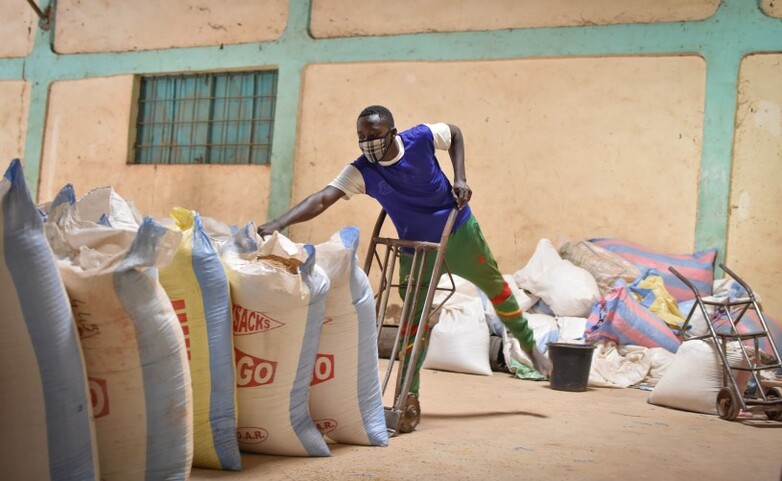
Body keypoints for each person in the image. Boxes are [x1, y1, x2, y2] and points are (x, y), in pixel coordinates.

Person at [257, 105, 552, 432]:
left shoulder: (421, 138)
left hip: (460, 233)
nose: (368, 143)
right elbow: (323, 198)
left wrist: (461, 178)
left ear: (393, 133)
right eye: (361, 137)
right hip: (415, 250)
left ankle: (528, 345)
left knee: (499, 291)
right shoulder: (362, 170)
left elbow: (453, 132)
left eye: (374, 136)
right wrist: (279, 223)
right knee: (413, 325)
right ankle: (407, 397)